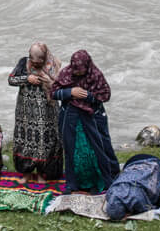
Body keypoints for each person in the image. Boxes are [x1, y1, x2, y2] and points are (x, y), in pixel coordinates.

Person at [52, 48, 121, 193]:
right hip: (71, 118)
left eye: (80, 70)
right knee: (72, 149)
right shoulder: (66, 73)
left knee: (100, 147)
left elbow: (105, 95)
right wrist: (69, 92)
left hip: (92, 116)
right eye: (75, 70)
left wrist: (87, 96)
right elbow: (54, 93)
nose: (77, 73)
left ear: (87, 66)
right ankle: (74, 182)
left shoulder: (95, 75)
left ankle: (104, 178)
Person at [6, 42, 64, 178]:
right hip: (26, 113)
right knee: (26, 140)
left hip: (48, 113)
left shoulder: (54, 64)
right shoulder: (23, 63)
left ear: (44, 58)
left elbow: (60, 84)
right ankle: (26, 172)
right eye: (33, 61)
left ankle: (45, 172)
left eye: (39, 62)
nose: (35, 64)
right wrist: (27, 78)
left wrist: (48, 81)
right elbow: (11, 80)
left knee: (46, 141)